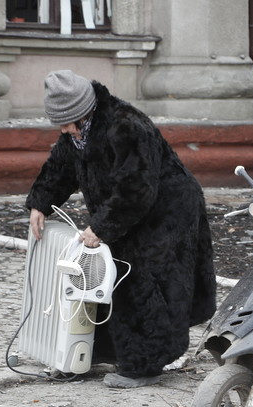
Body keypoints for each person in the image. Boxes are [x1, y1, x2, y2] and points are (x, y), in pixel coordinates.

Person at [25, 70, 217, 389]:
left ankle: (144, 365)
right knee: (110, 277)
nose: (64, 129)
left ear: (85, 110)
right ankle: (103, 352)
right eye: (60, 123)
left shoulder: (126, 125)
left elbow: (136, 187)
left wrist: (100, 226)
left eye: (70, 122)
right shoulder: (79, 129)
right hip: (127, 210)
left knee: (148, 281)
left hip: (166, 211)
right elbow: (61, 167)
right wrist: (40, 202)